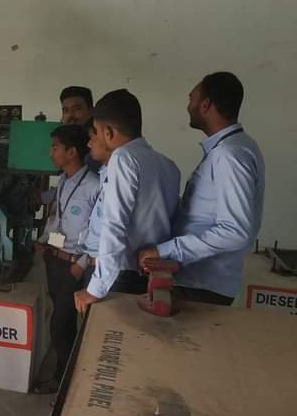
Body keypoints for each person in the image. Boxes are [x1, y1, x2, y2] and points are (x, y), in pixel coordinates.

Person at [137, 72, 265, 306]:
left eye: (191, 99)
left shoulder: (230, 155)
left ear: (205, 105)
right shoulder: (228, 150)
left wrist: (165, 250)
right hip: (197, 280)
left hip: (203, 285)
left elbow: (235, 231)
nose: (188, 106)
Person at [74, 89, 181, 315]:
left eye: (96, 132)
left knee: (104, 335)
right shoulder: (169, 166)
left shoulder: (123, 158)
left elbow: (114, 225)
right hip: (148, 272)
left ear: (109, 132)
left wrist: (96, 289)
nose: (92, 140)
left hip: (117, 276)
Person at [33, 124, 100, 392]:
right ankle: (66, 377)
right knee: (64, 324)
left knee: (60, 324)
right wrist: (44, 241)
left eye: (55, 147)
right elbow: (56, 219)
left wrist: (80, 265)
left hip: (73, 265)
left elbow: (100, 231)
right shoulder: (64, 180)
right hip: (56, 260)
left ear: (72, 152)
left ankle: (65, 383)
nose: (50, 153)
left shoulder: (94, 185)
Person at [74, 117, 113, 286]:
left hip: (105, 270)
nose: (89, 144)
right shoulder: (105, 173)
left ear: (108, 135)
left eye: (92, 138)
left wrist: (95, 289)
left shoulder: (105, 180)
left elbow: (114, 230)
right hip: (93, 264)